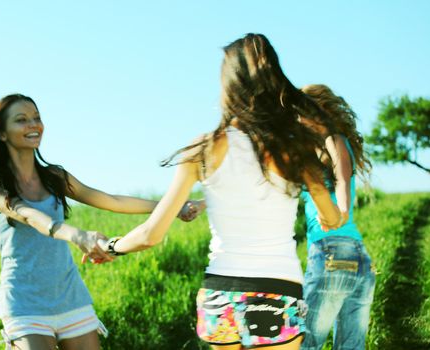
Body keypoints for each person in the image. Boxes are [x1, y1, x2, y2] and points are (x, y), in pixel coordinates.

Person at [99, 34, 343, 350]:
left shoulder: (204, 148)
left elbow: (151, 234)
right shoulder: (296, 148)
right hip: (279, 288)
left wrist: (112, 246)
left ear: (228, 85)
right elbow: (332, 218)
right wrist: (330, 217)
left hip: (222, 291)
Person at [0, 94, 199, 350]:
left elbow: (112, 201)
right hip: (25, 304)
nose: (33, 125)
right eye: (22, 120)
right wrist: (77, 235)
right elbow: (26, 214)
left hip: (71, 299)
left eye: (37, 118)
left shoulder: (54, 177)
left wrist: (173, 207)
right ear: (2, 134)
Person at [298, 84, 375, 350]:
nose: (295, 118)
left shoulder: (333, 140)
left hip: (332, 253)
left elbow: (343, 180)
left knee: (306, 344)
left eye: (300, 111)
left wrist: (340, 212)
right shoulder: (314, 152)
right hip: (359, 260)